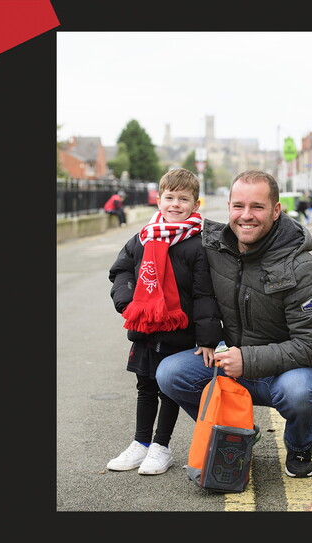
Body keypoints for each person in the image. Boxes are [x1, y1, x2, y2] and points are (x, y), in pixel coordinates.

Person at [156, 170, 312, 478]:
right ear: (228, 207)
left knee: (300, 392)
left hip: (287, 371)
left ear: (276, 210)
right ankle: (236, 430)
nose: (246, 215)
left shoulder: (302, 267)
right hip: (232, 362)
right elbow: (162, 243)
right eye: (238, 206)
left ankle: (300, 446)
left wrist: (247, 359)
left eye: (257, 207)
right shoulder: (214, 248)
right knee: (170, 373)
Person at [106, 168, 223, 475]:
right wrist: (126, 302)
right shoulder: (143, 237)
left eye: (183, 199)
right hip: (145, 329)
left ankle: (161, 447)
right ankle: (140, 443)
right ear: (158, 200)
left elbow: (204, 294)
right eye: (169, 198)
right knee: (145, 386)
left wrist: (208, 339)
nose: (175, 204)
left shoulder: (197, 244)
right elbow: (121, 271)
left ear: (195, 204)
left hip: (180, 332)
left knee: (167, 388)